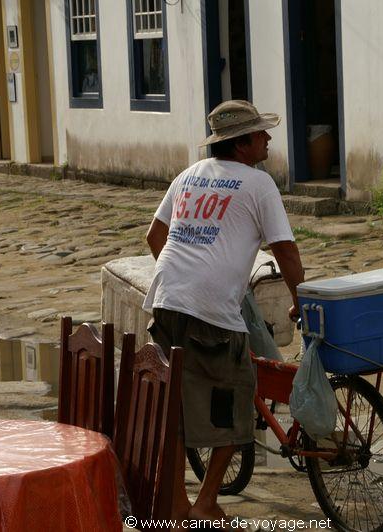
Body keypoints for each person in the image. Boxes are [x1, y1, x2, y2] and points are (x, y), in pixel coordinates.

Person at [143, 100, 305, 523]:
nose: (268, 138)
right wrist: (301, 301)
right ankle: (206, 502)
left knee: (175, 408)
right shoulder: (257, 183)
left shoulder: (188, 176)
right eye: (261, 133)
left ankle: (178, 507)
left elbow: (153, 236)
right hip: (209, 311)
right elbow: (285, 250)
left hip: (165, 302)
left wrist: (187, 273)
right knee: (239, 402)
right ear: (242, 143)